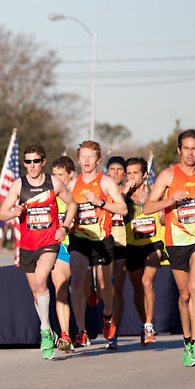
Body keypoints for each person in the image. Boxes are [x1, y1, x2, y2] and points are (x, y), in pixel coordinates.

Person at [144, 129, 195, 367]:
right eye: (186, 148)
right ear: (179, 150)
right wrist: (171, 200)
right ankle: (186, 339)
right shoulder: (168, 175)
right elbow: (148, 208)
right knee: (184, 295)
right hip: (175, 241)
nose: (190, 153)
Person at [0, 145, 76, 358]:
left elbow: (72, 205)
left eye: (36, 161)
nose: (32, 166)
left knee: (42, 279)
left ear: (43, 161)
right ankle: (48, 330)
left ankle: (44, 330)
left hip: (49, 242)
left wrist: (64, 227)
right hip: (27, 246)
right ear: (24, 163)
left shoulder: (54, 183)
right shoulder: (18, 185)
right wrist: (13, 211)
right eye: (28, 162)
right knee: (36, 292)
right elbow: (1, 214)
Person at [68, 141, 127, 350]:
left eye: (90, 157)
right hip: (79, 239)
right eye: (82, 156)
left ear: (98, 160)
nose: (86, 160)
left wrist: (100, 202)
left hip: (102, 239)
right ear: (78, 159)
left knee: (104, 286)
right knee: (76, 282)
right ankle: (81, 331)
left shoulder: (106, 182)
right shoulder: (72, 184)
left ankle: (108, 314)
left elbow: (123, 208)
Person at [123, 157, 165, 346]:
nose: (131, 177)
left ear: (145, 174)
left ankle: (149, 325)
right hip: (132, 246)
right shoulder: (123, 194)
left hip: (153, 244)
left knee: (147, 282)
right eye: (128, 173)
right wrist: (123, 194)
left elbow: (165, 212)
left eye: (135, 173)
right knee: (138, 290)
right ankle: (143, 322)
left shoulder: (154, 192)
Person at [50, 155, 77, 352]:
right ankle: (65, 335)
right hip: (58, 249)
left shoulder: (78, 195)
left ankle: (91, 289)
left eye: (61, 175)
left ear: (70, 175)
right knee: (60, 290)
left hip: (79, 248)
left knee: (80, 290)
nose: (57, 179)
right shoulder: (49, 197)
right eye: (54, 175)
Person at [106, 156, 129, 347]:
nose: (115, 173)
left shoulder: (130, 194)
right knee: (102, 288)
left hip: (123, 244)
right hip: (104, 243)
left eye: (119, 170)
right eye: (112, 169)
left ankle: (115, 334)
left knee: (118, 290)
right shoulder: (102, 192)